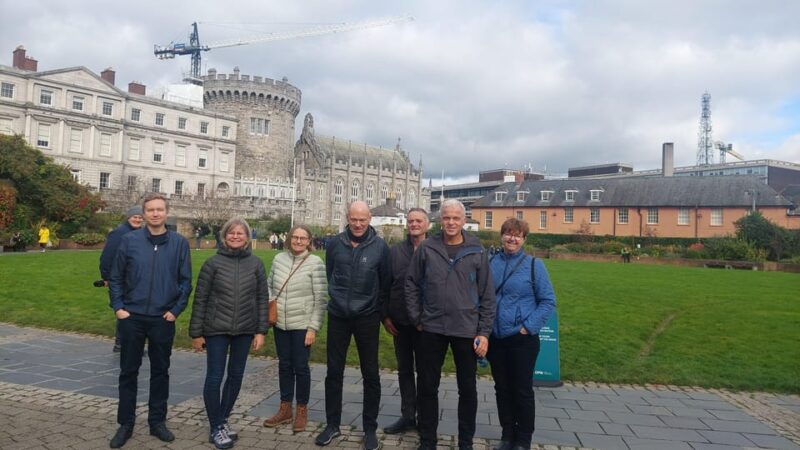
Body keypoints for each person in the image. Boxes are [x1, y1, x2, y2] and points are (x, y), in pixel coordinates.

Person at [406, 199, 495, 450]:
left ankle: (465, 441)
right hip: (431, 328)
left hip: (466, 329)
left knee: (467, 389)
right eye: (447, 217)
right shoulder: (427, 248)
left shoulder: (477, 251)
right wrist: (417, 318)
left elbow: (487, 294)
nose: (451, 222)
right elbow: (411, 284)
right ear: (440, 219)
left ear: (464, 220)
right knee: (427, 387)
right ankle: (428, 440)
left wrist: (484, 332)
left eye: (456, 218)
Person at [107, 193, 193, 448]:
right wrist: (119, 307)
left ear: (167, 212)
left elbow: (185, 281)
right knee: (128, 372)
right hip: (132, 316)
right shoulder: (129, 240)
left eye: (159, 210)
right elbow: (116, 276)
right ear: (143, 214)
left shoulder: (179, 243)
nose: (155, 214)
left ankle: (157, 421)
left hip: (162, 317)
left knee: (160, 371)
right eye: (150, 210)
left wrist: (176, 310)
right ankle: (126, 423)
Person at [315, 201, 391, 450]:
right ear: (347, 217)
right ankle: (332, 425)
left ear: (370, 219)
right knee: (333, 372)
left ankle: (370, 429)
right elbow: (331, 274)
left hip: (367, 317)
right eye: (354, 219)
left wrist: (375, 310)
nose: (358, 224)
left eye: (363, 220)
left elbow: (385, 283)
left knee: (370, 374)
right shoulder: (335, 243)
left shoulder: (380, 247)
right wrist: (338, 300)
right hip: (338, 315)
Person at [190, 217, 268, 449]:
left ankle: (222, 419)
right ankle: (215, 426)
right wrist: (196, 333)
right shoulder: (212, 264)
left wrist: (261, 330)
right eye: (231, 233)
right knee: (215, 377)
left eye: (240, 233)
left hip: (245, 328)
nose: (235, 236)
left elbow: (262, 299)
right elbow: (200, 299)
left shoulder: (256, 264)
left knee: (235, 377)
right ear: (224, 237)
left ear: (247, 238)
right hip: (216, 329)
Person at [487, 218, 556, 450]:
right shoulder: (491, 262)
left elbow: (548, 301)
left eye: (517, 235)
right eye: (508, 234)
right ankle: (507, 434)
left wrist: (528, 327)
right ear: (501, 236)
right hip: (496, 338)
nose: (512, 238)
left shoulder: (534, 265)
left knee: (522, 389)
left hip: (522, 339)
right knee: (502, 388)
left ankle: (523, 439)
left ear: (524, 239)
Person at [262, 224, 328, 433]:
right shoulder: (279, 259)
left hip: (302, 323)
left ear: (309, 241)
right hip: (281, 322)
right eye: (295, 237)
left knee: (301, 367)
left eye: (303, 238)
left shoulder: (315, 263)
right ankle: (284, 408)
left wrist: (312, 328)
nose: (298, 241)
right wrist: (273, 300)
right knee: (284, 365)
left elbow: (321, 298)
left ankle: (301, 409)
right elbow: (269, 284)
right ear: (290, 239)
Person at [382, 208, 429, 435]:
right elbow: (385, 285)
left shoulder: (435, 250)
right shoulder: (396, 252)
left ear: (427, 224)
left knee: (427, 372)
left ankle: (426, 417)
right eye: (410, 221)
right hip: (400, 321)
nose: (414, 224)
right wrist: (385, 315)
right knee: (405, 370)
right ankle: (408, 415)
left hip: (428, 324)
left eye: (419, 221)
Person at [99, 207, 144, 352]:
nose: (137, 219)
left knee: (130, 311)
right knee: (125, 310)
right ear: (128, 217)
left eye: (139, 217)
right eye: (135, 217)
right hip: (120, 278)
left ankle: (123, 343)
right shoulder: (119, 233)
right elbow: (107, 257)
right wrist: (106, 277)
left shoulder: (141, 233)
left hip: (135, 279)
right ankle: (123, 343)